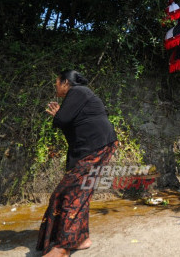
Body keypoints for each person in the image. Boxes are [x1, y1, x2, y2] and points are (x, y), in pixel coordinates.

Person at [37, 70, 118, 257]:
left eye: (57, 83)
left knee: (70, 193)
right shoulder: (78, 98)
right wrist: (60, 117)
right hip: (94, 147)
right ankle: (81, 239)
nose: (55, 87)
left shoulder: (78, 92)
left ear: (66, 82)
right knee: (80, 192)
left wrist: (59, 116)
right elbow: (70, 130)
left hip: (97, 147)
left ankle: (63, 247)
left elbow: (62, 120)